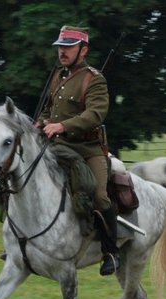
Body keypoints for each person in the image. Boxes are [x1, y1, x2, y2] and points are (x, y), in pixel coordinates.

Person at [37, 25, 119, 276]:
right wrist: (40, 122)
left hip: (87, 148)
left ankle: (111, 252)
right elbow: (49, 111)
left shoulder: (94, 79)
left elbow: (95, 115)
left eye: (68, 47)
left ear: (82, 51)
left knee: (99, 195)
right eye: (61, 46)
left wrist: (61, 126)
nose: (62, 51)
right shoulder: (58, 76)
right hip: (58, 146)